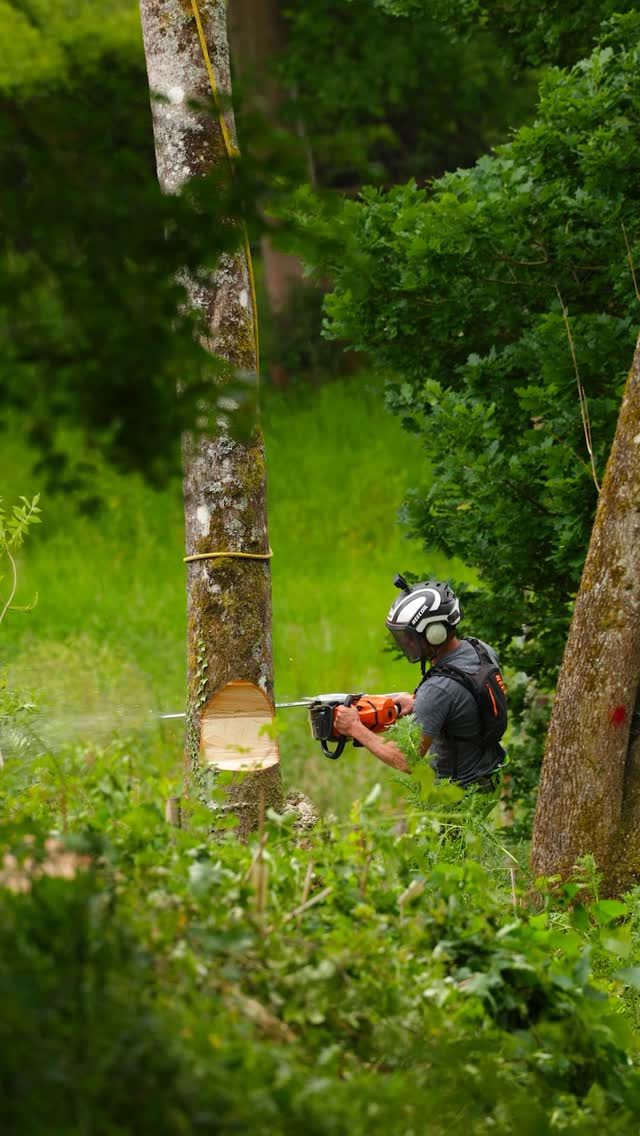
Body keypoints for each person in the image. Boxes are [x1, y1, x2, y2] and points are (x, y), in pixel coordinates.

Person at [334, 576, 507, 790]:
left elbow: (405, 759)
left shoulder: (437, 689)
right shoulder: (480, 649)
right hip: (489, 776)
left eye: (409, 636)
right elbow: (466, 701)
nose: (404, 642)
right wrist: (417, 702)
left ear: (436, 633)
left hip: (461, 796)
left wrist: (354, 727)